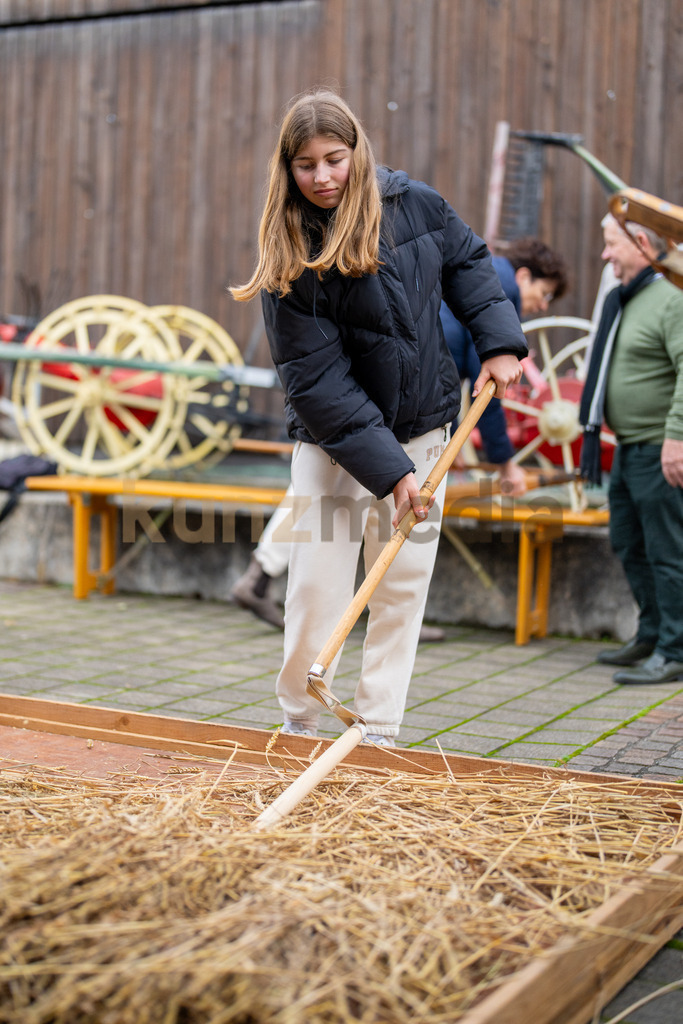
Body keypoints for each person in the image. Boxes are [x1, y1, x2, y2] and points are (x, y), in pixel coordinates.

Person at [230, 90, 526, 743]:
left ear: (356, 150)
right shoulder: (291, 251)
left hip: (424, 429)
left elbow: (470, 263)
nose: (323, 177)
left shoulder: (413, 202)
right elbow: (317, 381)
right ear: (289, 168)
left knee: (400, 586)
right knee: (316, 585)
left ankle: (379, 723)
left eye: (334, 159)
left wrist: (499, 342)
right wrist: (391, 475)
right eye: (306, 165)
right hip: (333, 450)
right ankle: (302, 716)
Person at [580, 213, 683, 684]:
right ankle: (652, 630)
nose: (605, 255)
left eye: (611, 245)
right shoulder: (628, 298)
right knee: (628, 541)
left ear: (641, 243)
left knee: (668, 551)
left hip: (660, 450)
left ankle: (675, 649)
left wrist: (677, 438)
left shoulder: (671, 298)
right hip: (626, 448)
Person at [439, 236, 568, 496]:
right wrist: (506, 465)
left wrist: (451, 439)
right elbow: (488, 391)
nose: (543, 305)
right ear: (523, 276)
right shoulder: (499, 295)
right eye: (544, 294)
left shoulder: (483, 275)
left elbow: (445, 369)